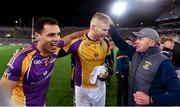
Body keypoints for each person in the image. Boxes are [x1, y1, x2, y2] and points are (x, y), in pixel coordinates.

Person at [0, 17, 86, 106]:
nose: (56, 39)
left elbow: (72, 36)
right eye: (51, 35)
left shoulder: (55, 47)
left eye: (58, 34)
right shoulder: (21, 59)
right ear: (38, 36)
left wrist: (91, 31)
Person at [109, 25, 180, 106]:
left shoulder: (164, 63)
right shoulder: (134, 53)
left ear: (151, 42)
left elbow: (177, 95)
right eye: (136, 38)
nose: (136, 41)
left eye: (140, 38)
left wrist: (151, 100)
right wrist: (111, 27)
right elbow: (120, 43)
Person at [62, 12, 113, 106]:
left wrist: (107, 71)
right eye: (104, 30)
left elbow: (109, 61)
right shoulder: (76, 42)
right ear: (93, 27)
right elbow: (56, 50)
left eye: (107, 30)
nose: (106, 33)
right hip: (82, 88)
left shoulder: (106, 42)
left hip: (100, 87)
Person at [115, 37, 133, 106]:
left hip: (124, 72)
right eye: (127, 43)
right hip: (121, 72)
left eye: (129, 43)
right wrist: (122, 74)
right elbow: (119, 64)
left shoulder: (126, 50)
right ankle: (121, 103)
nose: (128, 44)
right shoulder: (121, 51)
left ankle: (122, 103)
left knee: (123, 88)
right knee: (122, 88)